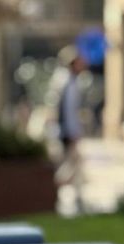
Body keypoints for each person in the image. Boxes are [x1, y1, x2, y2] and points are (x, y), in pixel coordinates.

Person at [57, 50, 88, 215]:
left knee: (74, 166)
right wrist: (74, 133)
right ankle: (59, 186)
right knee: (70, 166)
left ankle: (78, 197)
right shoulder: (69, 84)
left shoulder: (69, 82)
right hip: (69, 133)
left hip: (68, 132)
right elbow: (69, 111)